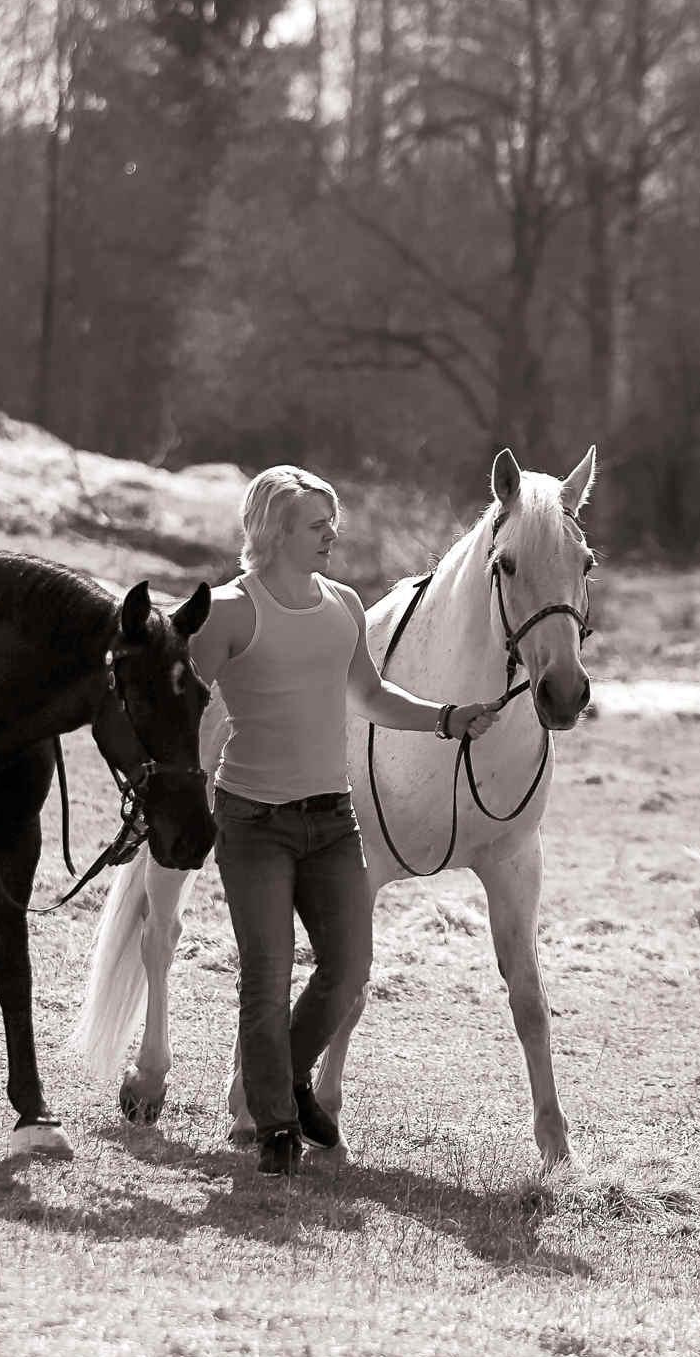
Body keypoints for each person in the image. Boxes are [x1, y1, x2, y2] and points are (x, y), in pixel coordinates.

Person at [183, 466, 503, 1176]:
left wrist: (446, 719)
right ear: (274, 532)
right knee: (264, 977)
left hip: (331, 820)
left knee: (349, 970)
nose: (333, 533)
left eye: (333, 521)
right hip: (253, 823)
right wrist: (177, 794)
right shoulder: (231, 613)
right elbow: (181, 710)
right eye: (316, 524)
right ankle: (274, 1127)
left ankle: (287, 1083)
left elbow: (370, 694)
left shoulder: (343, 606)